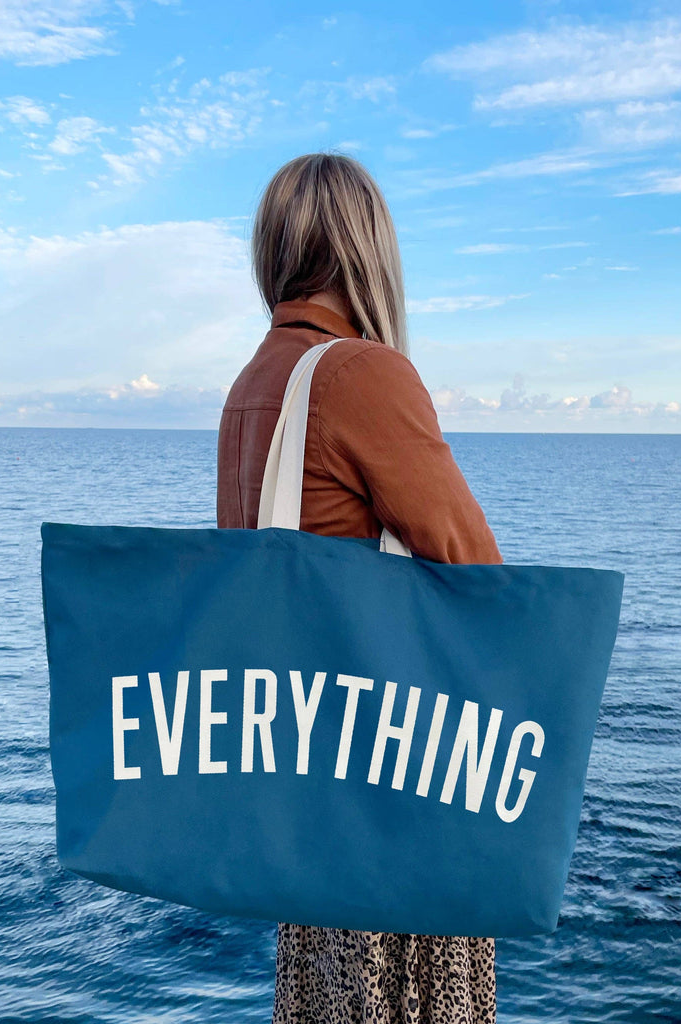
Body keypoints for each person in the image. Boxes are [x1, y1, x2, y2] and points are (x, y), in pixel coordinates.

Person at [216, 152, 503, 1024]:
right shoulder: (363, 374)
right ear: (367, 249)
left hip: (308, 798)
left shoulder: (249, 389)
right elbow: (479, 575)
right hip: (397, 794)